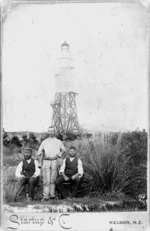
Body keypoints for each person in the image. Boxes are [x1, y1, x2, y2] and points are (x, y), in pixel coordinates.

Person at [36, 126, 66, 201]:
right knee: (46, 179)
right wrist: (39, 155)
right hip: (46, 161)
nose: (51, 133)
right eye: (50, 131)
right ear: (48, 132)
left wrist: (60, 154)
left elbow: (64, 150)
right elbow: (39, 151)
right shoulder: (44, 142)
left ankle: (52, 195)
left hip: (55, 161)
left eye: (52, 131)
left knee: (53, 179)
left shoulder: (58, 141)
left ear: (54, 132)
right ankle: (45, 196)